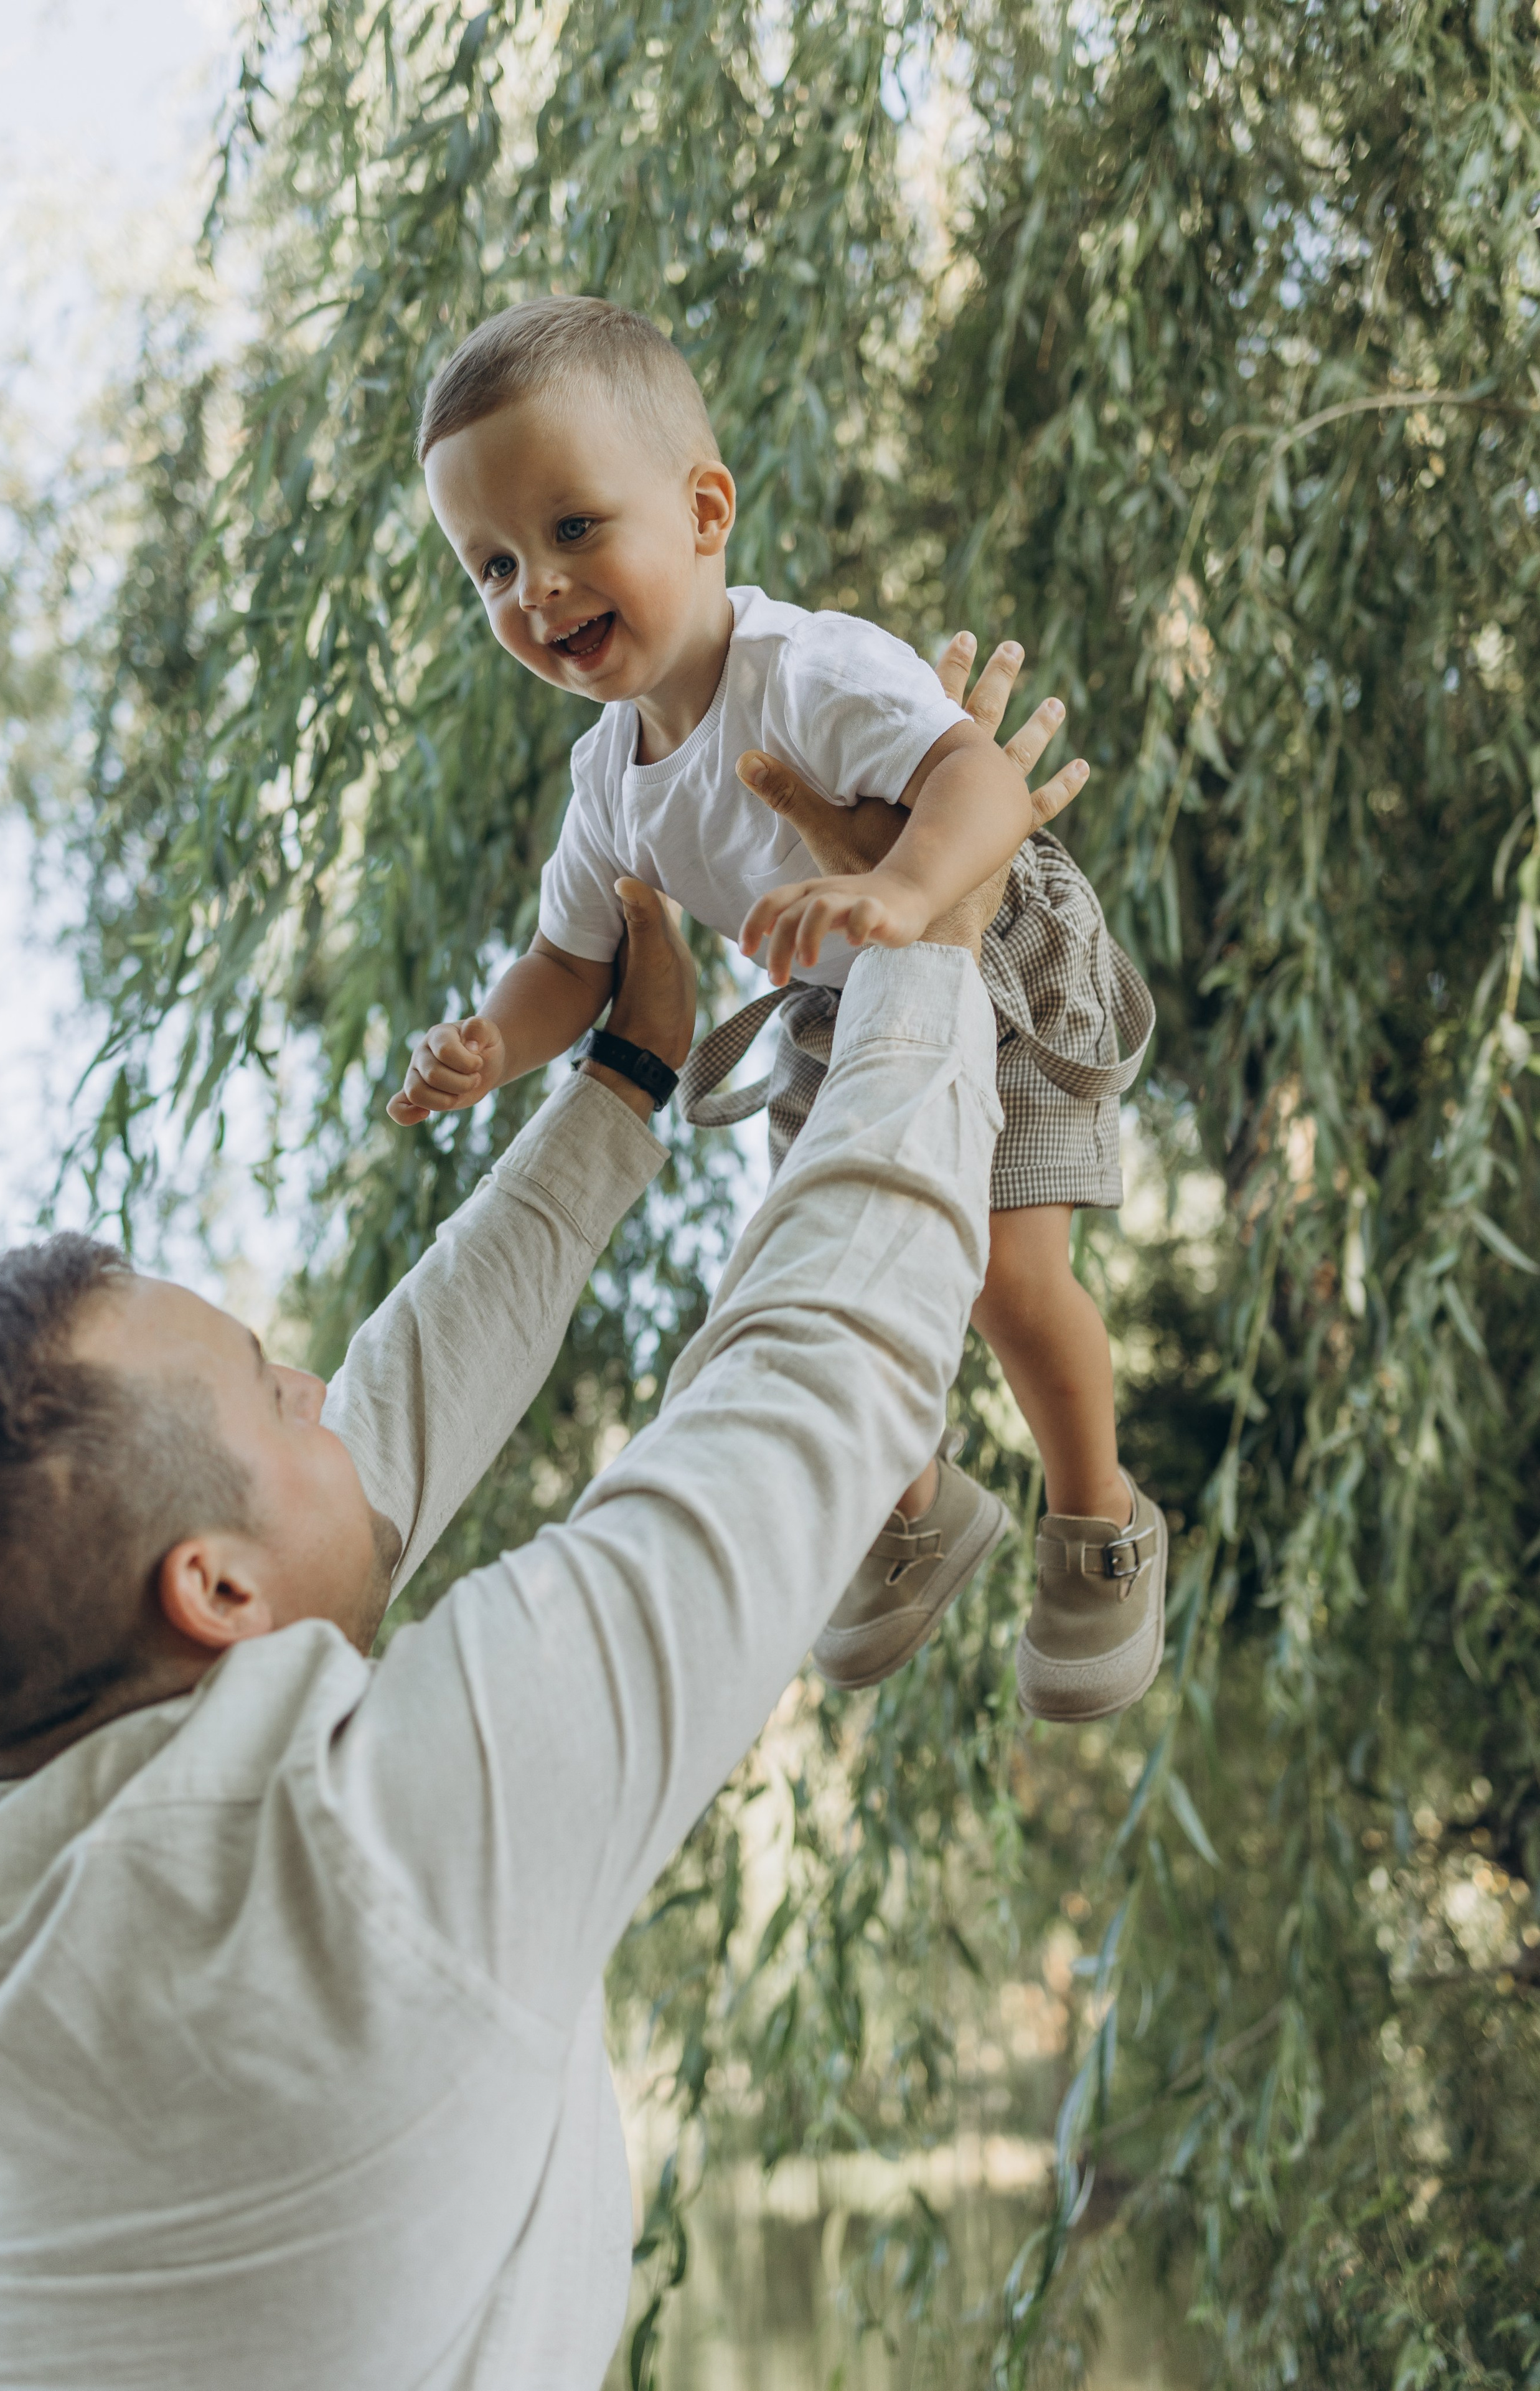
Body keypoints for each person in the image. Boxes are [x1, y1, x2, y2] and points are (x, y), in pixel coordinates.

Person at [0, 651, 1035, 2389]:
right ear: (210, 1587)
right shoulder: (367, 1858)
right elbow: (807, 1382)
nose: (322, 1381)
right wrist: (925, 940)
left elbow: (385, 1427)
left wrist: (618, 1087)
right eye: (270, 1384)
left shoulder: (7, 1885)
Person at [388, 295, 1165, 1722]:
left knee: (998, 1273)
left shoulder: (801, 667)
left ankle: (1096, 1518)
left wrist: (903, 892)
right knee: (816, 1266)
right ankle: (918, 1506)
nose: (535, 591)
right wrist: (495, 1042)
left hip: (987, 944)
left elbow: (975, 780)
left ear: (703, 509)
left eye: (570, 531)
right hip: (837, 1008)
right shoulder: (606, 780)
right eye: (490, 565)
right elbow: (573, 962)